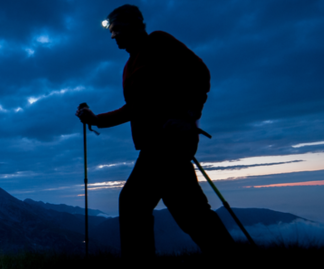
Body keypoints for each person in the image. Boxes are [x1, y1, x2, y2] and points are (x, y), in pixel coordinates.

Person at [75, 4, 235, 259]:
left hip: (168, 141)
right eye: (111, 32)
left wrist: (189, 117)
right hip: (155, 143)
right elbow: (134, 108)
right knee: (190, 212)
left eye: (116, 29)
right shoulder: (129, 65)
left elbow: (200, 73)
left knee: (133, 203)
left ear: (134, 26)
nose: (112, 36)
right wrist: (96, 120)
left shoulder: (158, 42)